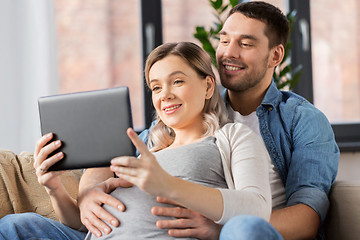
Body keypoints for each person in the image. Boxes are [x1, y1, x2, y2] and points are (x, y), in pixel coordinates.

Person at [75, 1, 339, 240]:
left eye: (245, 44)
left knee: (245, 229)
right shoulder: (193, 108)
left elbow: (307, 218)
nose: (228, 54)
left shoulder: (301, 119)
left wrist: (221, 228)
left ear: (275, 56)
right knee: (32, 225)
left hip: (240, 231)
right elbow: (122, 152)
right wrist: (86, 196)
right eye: (224, 41)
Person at [0, 42, 272, 239]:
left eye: (177, 82)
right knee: (16, 225)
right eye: (156, 87)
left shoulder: (232, 137)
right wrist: (54, 188)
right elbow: (81, 226)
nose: (164, 94)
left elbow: (256, 209)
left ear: (208, 86)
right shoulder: (148, 149)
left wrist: (168, 186)